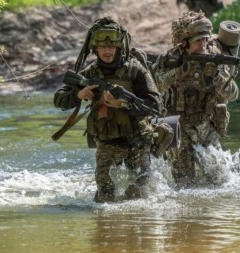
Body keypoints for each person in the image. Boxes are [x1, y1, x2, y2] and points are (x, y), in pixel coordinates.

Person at [53, 17, 164, 203]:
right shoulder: (90, 73)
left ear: (119, 47)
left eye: (111, 46)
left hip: (137, 139)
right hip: (107, 142)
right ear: (94, 48)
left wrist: (122, 104)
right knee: (104, 197)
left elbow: (155, 106)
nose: (107, 51)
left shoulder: (135, 71)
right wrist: (79, 95)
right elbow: (59, 99)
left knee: (140, 195)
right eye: (102, 47)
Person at [152, 11, 239, 188]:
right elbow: (155, 87)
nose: (203, 44)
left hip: (206, 124)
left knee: (219, 179)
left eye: (205, 39)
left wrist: (217, 77)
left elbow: (234, 94)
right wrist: (178, 73)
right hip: (177, 125)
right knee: (184, 182)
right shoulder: (171, 59)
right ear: (185, 44)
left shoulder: (215, 59)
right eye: (198, 41)